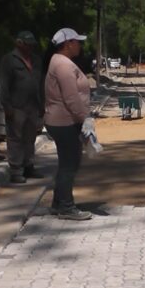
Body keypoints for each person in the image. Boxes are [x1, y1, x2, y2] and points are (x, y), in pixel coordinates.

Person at [44, 28, 94, 221]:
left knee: (67, 163)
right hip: (64, 122)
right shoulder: (63, 65)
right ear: (68, 44)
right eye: (77, 41)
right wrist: (85, 118)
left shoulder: (59, 61)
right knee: (69, 164)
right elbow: (71, 97)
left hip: (62, 120)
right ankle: (66, 207)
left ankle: (59, 203)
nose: (80, 45)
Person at [0, 31, 44, 183]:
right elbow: (4, 86)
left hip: (33, 106)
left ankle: (28, 166)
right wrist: (7, 106)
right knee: (15, 139)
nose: (30, 47)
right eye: (27, 44)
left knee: (30, 138)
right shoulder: (9, 60)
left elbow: (40, 84)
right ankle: (16, 170)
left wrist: (42, 106)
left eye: (31, 44)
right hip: (16, 106)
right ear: (19, 43)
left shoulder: (36, 61)